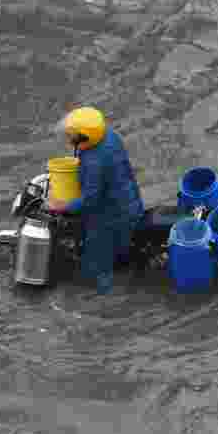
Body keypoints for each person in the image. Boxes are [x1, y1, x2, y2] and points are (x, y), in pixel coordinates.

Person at [46, 107, 145, 294]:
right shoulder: (108, 136)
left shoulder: (95, 162)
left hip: (111, 216)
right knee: (118, 251)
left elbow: (90, 201)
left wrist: (63, 205)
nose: (68, 139)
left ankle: (104, 297)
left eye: (71, 136)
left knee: (97, 263)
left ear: (84, 138)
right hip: (128, 200)